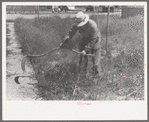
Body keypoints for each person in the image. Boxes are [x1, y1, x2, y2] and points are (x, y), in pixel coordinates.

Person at [65, 11, 102, 77]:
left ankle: (97, 76)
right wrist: (66, 40)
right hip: (85, 39)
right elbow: (70, 32)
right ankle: (82, 74)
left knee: (95, 60)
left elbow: (93, 40)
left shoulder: (93, 26)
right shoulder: (77, 24)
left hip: (95, 39)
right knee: (82, 58)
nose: (81, 27)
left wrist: (86, 50)